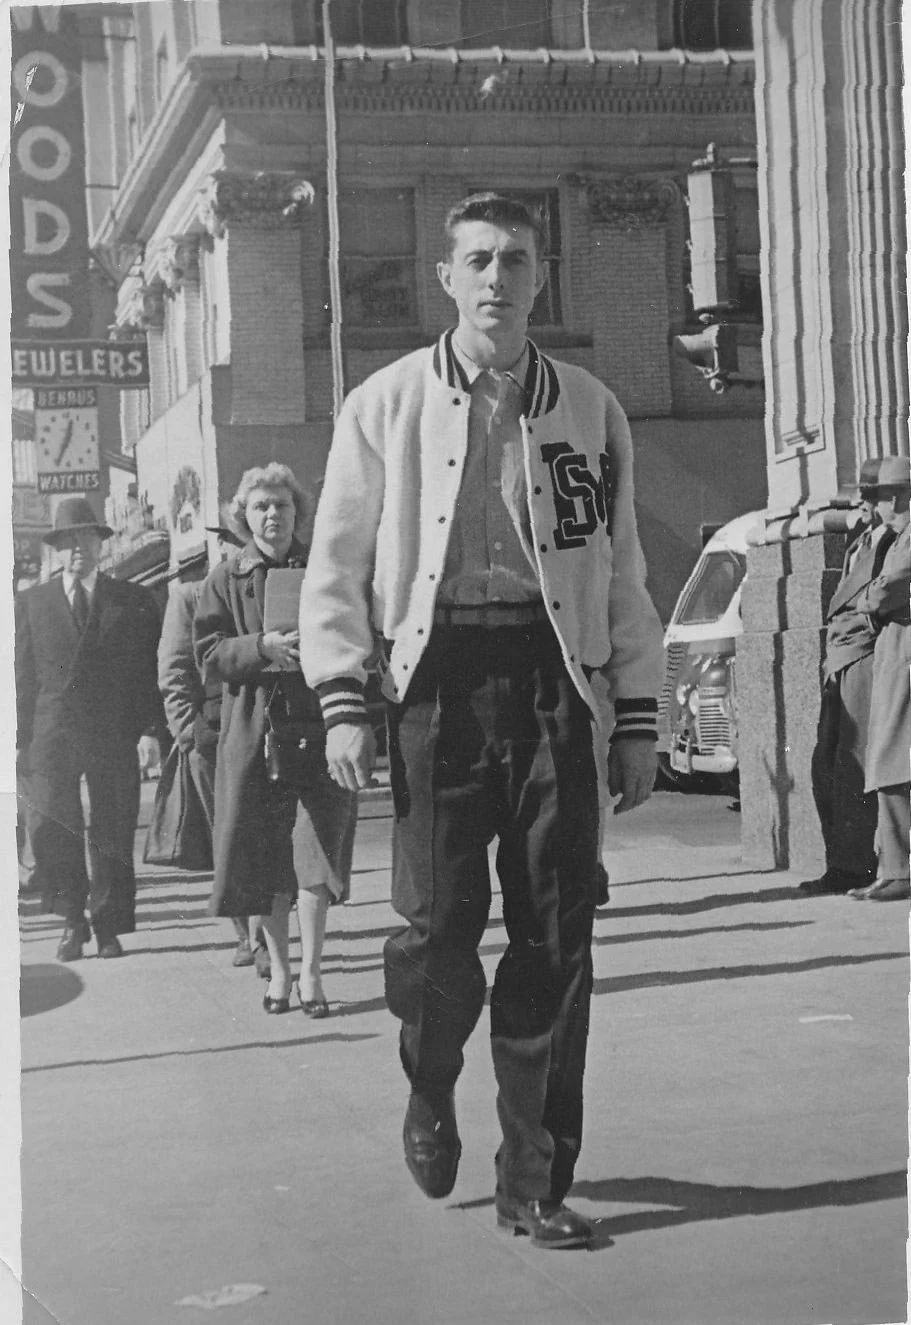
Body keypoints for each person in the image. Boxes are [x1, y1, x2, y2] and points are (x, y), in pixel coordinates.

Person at [299, 192, 664, 1247]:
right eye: (475, 260)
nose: (495, 277)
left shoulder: (588, 406)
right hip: (436, 682)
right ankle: (427, 1079)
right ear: (445, 279)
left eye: (514, 259)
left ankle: (534, 1178)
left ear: (538, 276)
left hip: (555, 678)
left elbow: (624, 567)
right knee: (433, 935)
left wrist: (633, 717)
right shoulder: (383, 403)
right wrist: (343, 700)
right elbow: (337, 565)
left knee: (557, 938)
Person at [194, 465, 358, 1015]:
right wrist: (261, 646)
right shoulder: (225, 577)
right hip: (254, 737)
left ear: (298, 513)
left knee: (316, 857)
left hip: (320, 727)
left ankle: (312, 975)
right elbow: (209, 655)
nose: (272, 515)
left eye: (282, 506)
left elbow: (356, 628)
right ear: (244, 516)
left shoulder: (325, 566)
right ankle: (280, 975)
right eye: (261, 506)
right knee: (264, 861)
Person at [15, 497, 162, 960]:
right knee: (54, 829)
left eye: (86, 537)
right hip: (52, 734)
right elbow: (22, 678)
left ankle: (108, 924)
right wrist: (17, 741)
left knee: (112, 829)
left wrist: (151, 731)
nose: (77, 547)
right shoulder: (31, 604)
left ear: (101, 544)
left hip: (112, 732)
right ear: (56, 549)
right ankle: (72, 921)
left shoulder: (132, 600)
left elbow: (147, 673)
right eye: (67, 540)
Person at [157, 526, 264, 969]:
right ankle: (248, 937)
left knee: (262, 835)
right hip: (211, 736)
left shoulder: (265, 585)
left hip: (261, 728)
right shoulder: (189, 596)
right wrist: (188, 734)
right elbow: (175, 671)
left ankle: (264, 937)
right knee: (227, 836)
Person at [799, 459, 896, 896]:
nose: (860, 503)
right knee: (826, 765)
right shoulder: (863, 540)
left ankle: (853, 866)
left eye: (868, 495)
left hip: (863, 656)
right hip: (838, 659)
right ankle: (840, 860)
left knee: (851, 765)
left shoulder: (893, 539)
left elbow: (877, 600)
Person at [848, 456, 911, 902]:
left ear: (896, 497)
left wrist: (872, 600)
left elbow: (886, 591)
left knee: (891, 760)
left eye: (878, 497)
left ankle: (900, 869)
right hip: (896, 650)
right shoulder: (898, 537)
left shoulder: (907, 538)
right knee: (890, 759)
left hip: (904, 654)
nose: (876, 505)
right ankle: (894, 866)